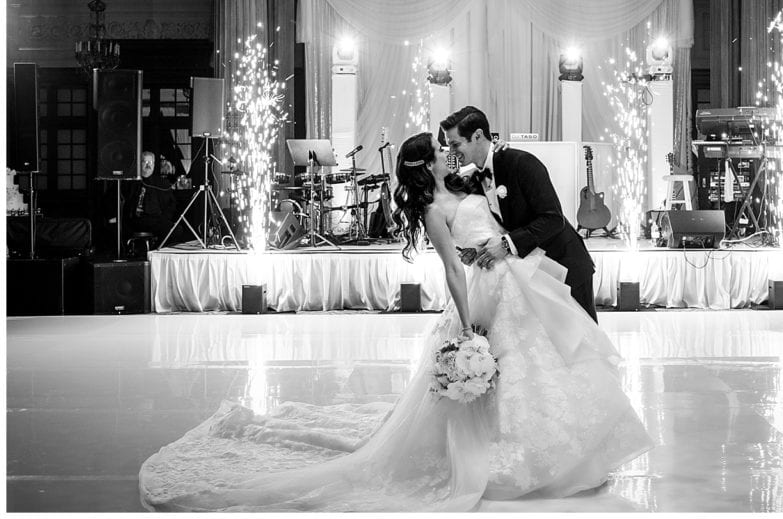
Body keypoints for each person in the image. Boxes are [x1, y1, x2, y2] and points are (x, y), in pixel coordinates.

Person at [138, 132, 653, 511]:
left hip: (517, 280)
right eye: (438, 147)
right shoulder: (430, 206)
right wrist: (468, 323)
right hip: (483, 293)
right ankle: (503, 453)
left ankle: (563, 449)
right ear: (424, 163)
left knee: (540, 367)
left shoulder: (462, 181)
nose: (448, 151)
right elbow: (453, 264)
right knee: (504, 370)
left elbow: (497, 220)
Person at [441, 106, 599, 322]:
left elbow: (553, 219)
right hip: (528, 273)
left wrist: (506, 245)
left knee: (581, 344)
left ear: (477, 135)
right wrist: (475, 251)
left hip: (564, 264)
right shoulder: (472, 179)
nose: (451, 152)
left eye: (455, 144)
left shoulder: (521, 163)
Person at [117, 151, 180, 244]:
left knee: (176, 229)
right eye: (145, 162)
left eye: (150, 163)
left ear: (154, 164)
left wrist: (165, 217)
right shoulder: (130, 182)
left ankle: (157, 251)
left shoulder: (162, 183)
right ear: (139, 164)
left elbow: (172, 204)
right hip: (136, 220)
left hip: (157, 219)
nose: (148, 166)